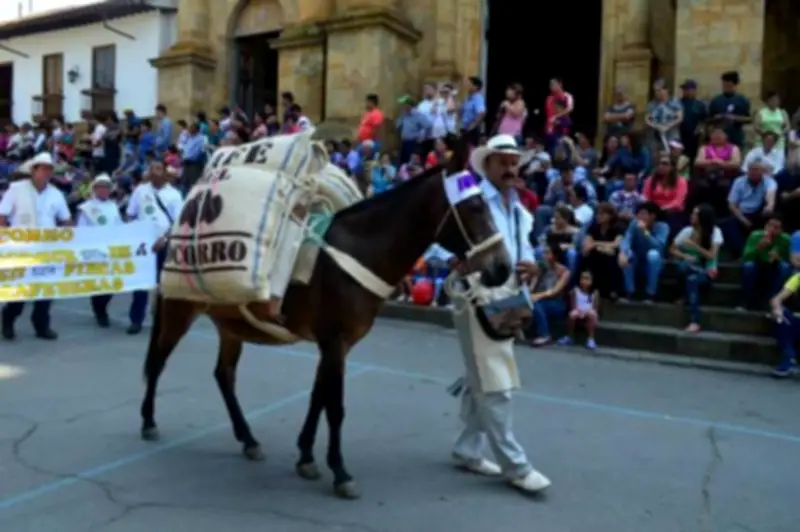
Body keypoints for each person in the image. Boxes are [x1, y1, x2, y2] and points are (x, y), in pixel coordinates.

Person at [427, 133, 551, 494]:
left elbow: (525, 249)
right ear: (487, 165)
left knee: (481, 374)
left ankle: (467, 449)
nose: (512, 168)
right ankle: (516, 465)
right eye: (504, 162)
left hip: (509, 295)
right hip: (478, 294)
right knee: (495, 381)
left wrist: (532, 266)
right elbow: (434, 239)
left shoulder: (519, 209)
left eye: (515, 163)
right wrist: (453, 259)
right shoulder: (469, 196)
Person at [0, 152, 71, 341]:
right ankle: (8, 319)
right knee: (19, 293)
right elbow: (2, 215)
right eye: (43, 168)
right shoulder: (16, 189)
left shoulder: (56, 194)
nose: (46, 172)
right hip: (21, 249)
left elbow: (65, 220)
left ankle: (41, 325)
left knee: (46, 291)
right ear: (33, 170)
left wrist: (71, 237)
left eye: (49, 169)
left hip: (47, 249)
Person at [125, 160, 183, 335]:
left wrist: (164, 239)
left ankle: (161, 320)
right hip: (143, 246)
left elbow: (179, 223)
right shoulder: (140, 191)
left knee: (163, 286)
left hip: (163, 244)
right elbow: (130, 214)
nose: (154, 172)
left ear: (165, 172)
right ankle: (136, 320)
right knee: (141, 284)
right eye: (151, 168)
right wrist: (136, 234)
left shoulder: (174, 194)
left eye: (158, 168)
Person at [76, 173, 123, 327]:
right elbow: (81, 230)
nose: (104, 190)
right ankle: (100, 312)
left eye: (106, 187)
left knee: (112, 284)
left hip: (112, 250)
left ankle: (102, 308)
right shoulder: (86, 208)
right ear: (95, 189)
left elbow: (119, 226)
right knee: (98, 284)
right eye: (101, 187)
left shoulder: (113, 206)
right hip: (95, 250)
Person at [670, 204, 723, 332]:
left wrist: (694, 246)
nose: (691, 216)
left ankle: (695, 320)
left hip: (707, 270)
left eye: (695, 214)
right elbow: (672, 249)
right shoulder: (687, 231)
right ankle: (687, 297)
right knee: (685, 268)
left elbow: (711, 255)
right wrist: (685, 255)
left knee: (692, 278)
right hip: (689, 268)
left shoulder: (715, 232)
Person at [720, 160, 776, 257]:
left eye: (756, 170)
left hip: (759, 213)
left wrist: (769, 206)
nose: (753, 172)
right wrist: (743, 219)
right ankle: (742, 253)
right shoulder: (739, 181)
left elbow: (770, 196)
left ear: (763, 172)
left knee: (773, 218)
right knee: (728, 224)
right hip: (741, 213)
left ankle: (765, 250)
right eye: (750, 170)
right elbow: (731, 204)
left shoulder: (769, 181)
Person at [619, 201, 669, 303]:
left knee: (653, 255)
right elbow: (627, 239)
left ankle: (650, 294)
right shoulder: (634, 224)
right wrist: (623, 252)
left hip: (654, 263)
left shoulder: (663, 227)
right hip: (637, 260)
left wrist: (645, 232)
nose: (639, 217)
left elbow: (658, 246)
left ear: (652, 216)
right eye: (638, 214)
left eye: (643, 214)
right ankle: (629, 292)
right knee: (627, 254)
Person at [740, 214, 791, 310]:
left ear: (781, 230)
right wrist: (759, 247)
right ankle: (748, 302)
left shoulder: (786, 240)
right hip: (758, 264)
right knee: (748, 267)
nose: (772, 229)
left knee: (785, 268)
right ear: (765, 226)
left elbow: (789, 259)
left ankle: (774, 302)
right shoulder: (755, 236)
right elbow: (746, 257)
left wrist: (778, 258)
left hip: (775, 266)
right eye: (770, 225)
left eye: (776, 228)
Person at [526, 243, 570, 346]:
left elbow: (554, 291)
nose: (544, 256)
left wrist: (536, 296)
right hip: (539, 298)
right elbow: (532, 287)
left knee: (538, 305)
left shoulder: (564, 271)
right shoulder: (541, 267)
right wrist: (535, 275)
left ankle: (544, 334)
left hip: (556, 303)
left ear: (555, 256)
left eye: (547, 253)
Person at [582, 202, 623, 299]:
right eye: (598, 214)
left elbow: (616, 244)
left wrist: (596, 244)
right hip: (597, 253)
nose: (598, 216)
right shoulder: (594, 227)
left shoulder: (617, 227)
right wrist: (597, 246)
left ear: (610, 216)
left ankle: (612, 290)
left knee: (609, 256)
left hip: (613, 254)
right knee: (588, 255)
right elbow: (588, 243)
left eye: (602, 214)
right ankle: (590, 288)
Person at [642, 154, 688, 238]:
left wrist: (662, 209)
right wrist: (653, 210)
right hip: (653, 211)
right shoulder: (650, 180)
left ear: (672, 166)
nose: (661, 166)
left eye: (664, 164)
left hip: (672, 212)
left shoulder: (681, 181)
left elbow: (678, 202)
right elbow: (646, 198)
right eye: (659, 164)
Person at [708, 71, 751, 149]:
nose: (726, 88)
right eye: (724, 85)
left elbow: (748, 119)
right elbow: (709, 119)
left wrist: (735, 118)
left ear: (735, 85)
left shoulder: (742, 100)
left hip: (735, 136)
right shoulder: (716, 100)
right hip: (719, 137)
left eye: (729, 85)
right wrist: (717, 118)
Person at [557, 270, 599, 349]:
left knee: (593, 314)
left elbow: (595, 307)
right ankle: (570, 336)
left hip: (589, 312)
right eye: (583, 279)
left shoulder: (595, 293)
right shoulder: (575, 291)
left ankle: (591, 339)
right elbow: (573, 305)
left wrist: (586, 313)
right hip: (578, 311)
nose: (584, 281)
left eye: (587, 279)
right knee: (572, 314)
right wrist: (579, 312)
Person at [769, 273, 800, 377]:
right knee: (779, 316)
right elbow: (776, 299)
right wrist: (777, 309)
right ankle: (789, 355)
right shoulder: (798, 278)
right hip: (795, 320)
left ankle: (790, 357)